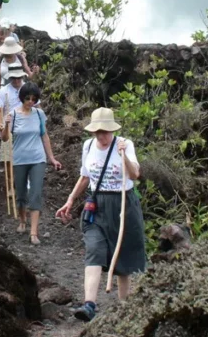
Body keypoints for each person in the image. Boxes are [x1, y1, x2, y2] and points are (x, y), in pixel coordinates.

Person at [55, 107, 147, 323]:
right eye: (97, 132)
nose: (101, 136)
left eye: (105, 131)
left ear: (112, 129)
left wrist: (124, 156)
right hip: (97, 204)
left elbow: (135, 174)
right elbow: (85, 177)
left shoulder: (125, 144)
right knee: (94, 248)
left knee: (124, 258)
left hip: (123, 203)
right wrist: (70, 200)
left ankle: (125, 310)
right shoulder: (88, 146)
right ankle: (89, 305)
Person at [1, 81, 62, 243]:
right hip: (19, 159)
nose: (31, 101)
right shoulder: (13, 114)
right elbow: (5, 138)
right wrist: (6, 125)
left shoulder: (39, 114)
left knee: (36, 193)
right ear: (22, 98)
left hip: (37, 159)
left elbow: (44, 136)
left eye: (34, 99)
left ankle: (34, 232)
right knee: (21, 194)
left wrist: (52, 158)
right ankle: (22, 221)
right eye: (28, 98)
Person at [0, 64, 27, 178]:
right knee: (8, 157)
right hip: (9, 125)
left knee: (25, 155)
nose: (17, 80)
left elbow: (37, 107)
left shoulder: (28, 88)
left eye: (19, 77)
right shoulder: (4, 91)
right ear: (10, 77)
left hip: (26, 125)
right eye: (14, 78)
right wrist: (1, 125)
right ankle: (10, 180)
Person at [0, 36, 34, 108]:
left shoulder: (20, 58)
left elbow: (30, 76)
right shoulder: (0, 60)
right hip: (4, 90)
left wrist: (35, 72)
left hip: (19, 89)